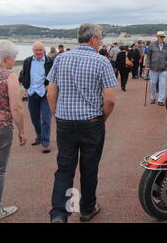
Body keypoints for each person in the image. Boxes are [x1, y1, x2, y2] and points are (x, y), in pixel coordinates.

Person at [46, 24, 117, 223]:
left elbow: (51, 92)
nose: (101, 41)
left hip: (65, 122)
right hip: (91, 123)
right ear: (93, 39)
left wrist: (57, 114)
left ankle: (60, 213)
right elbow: (110, 100)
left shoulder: (60, 58)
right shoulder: (101, 61)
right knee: (89, 168)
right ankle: (86, 209)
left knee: (65, 169)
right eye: (100, 38)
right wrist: (101, 119)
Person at [0, 40, 27, 220]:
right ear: (7, 58)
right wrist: (22, 130)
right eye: (14, 58)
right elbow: (16, 107)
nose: (14, 61)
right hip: (2, 126)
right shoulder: (9, 75)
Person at [19, 41, 53, 153]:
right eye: (36, 50)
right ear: (33, 51)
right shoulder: (27, 61)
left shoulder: (50, 61)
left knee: (46, 119)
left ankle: (46, 142)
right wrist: (26, 85)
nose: (38, 52)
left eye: (40, 50)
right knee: (34, 118)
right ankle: (39, 135)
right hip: (32, 93)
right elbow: (23, 75)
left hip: (44, 93)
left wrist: (49, 85)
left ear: (44, 51)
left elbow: (55, 75)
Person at [146, 31, 167, 106]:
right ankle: (153, 97)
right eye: (161, 36)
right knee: (153, 83)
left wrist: (165, 64)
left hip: (162, 69)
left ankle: (161, 99)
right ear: (157, 37)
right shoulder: (152, 45)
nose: (162, 38)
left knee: (162, 84)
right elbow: (148, 56)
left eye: (163, 37)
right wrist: (147, 65)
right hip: (153, 68)